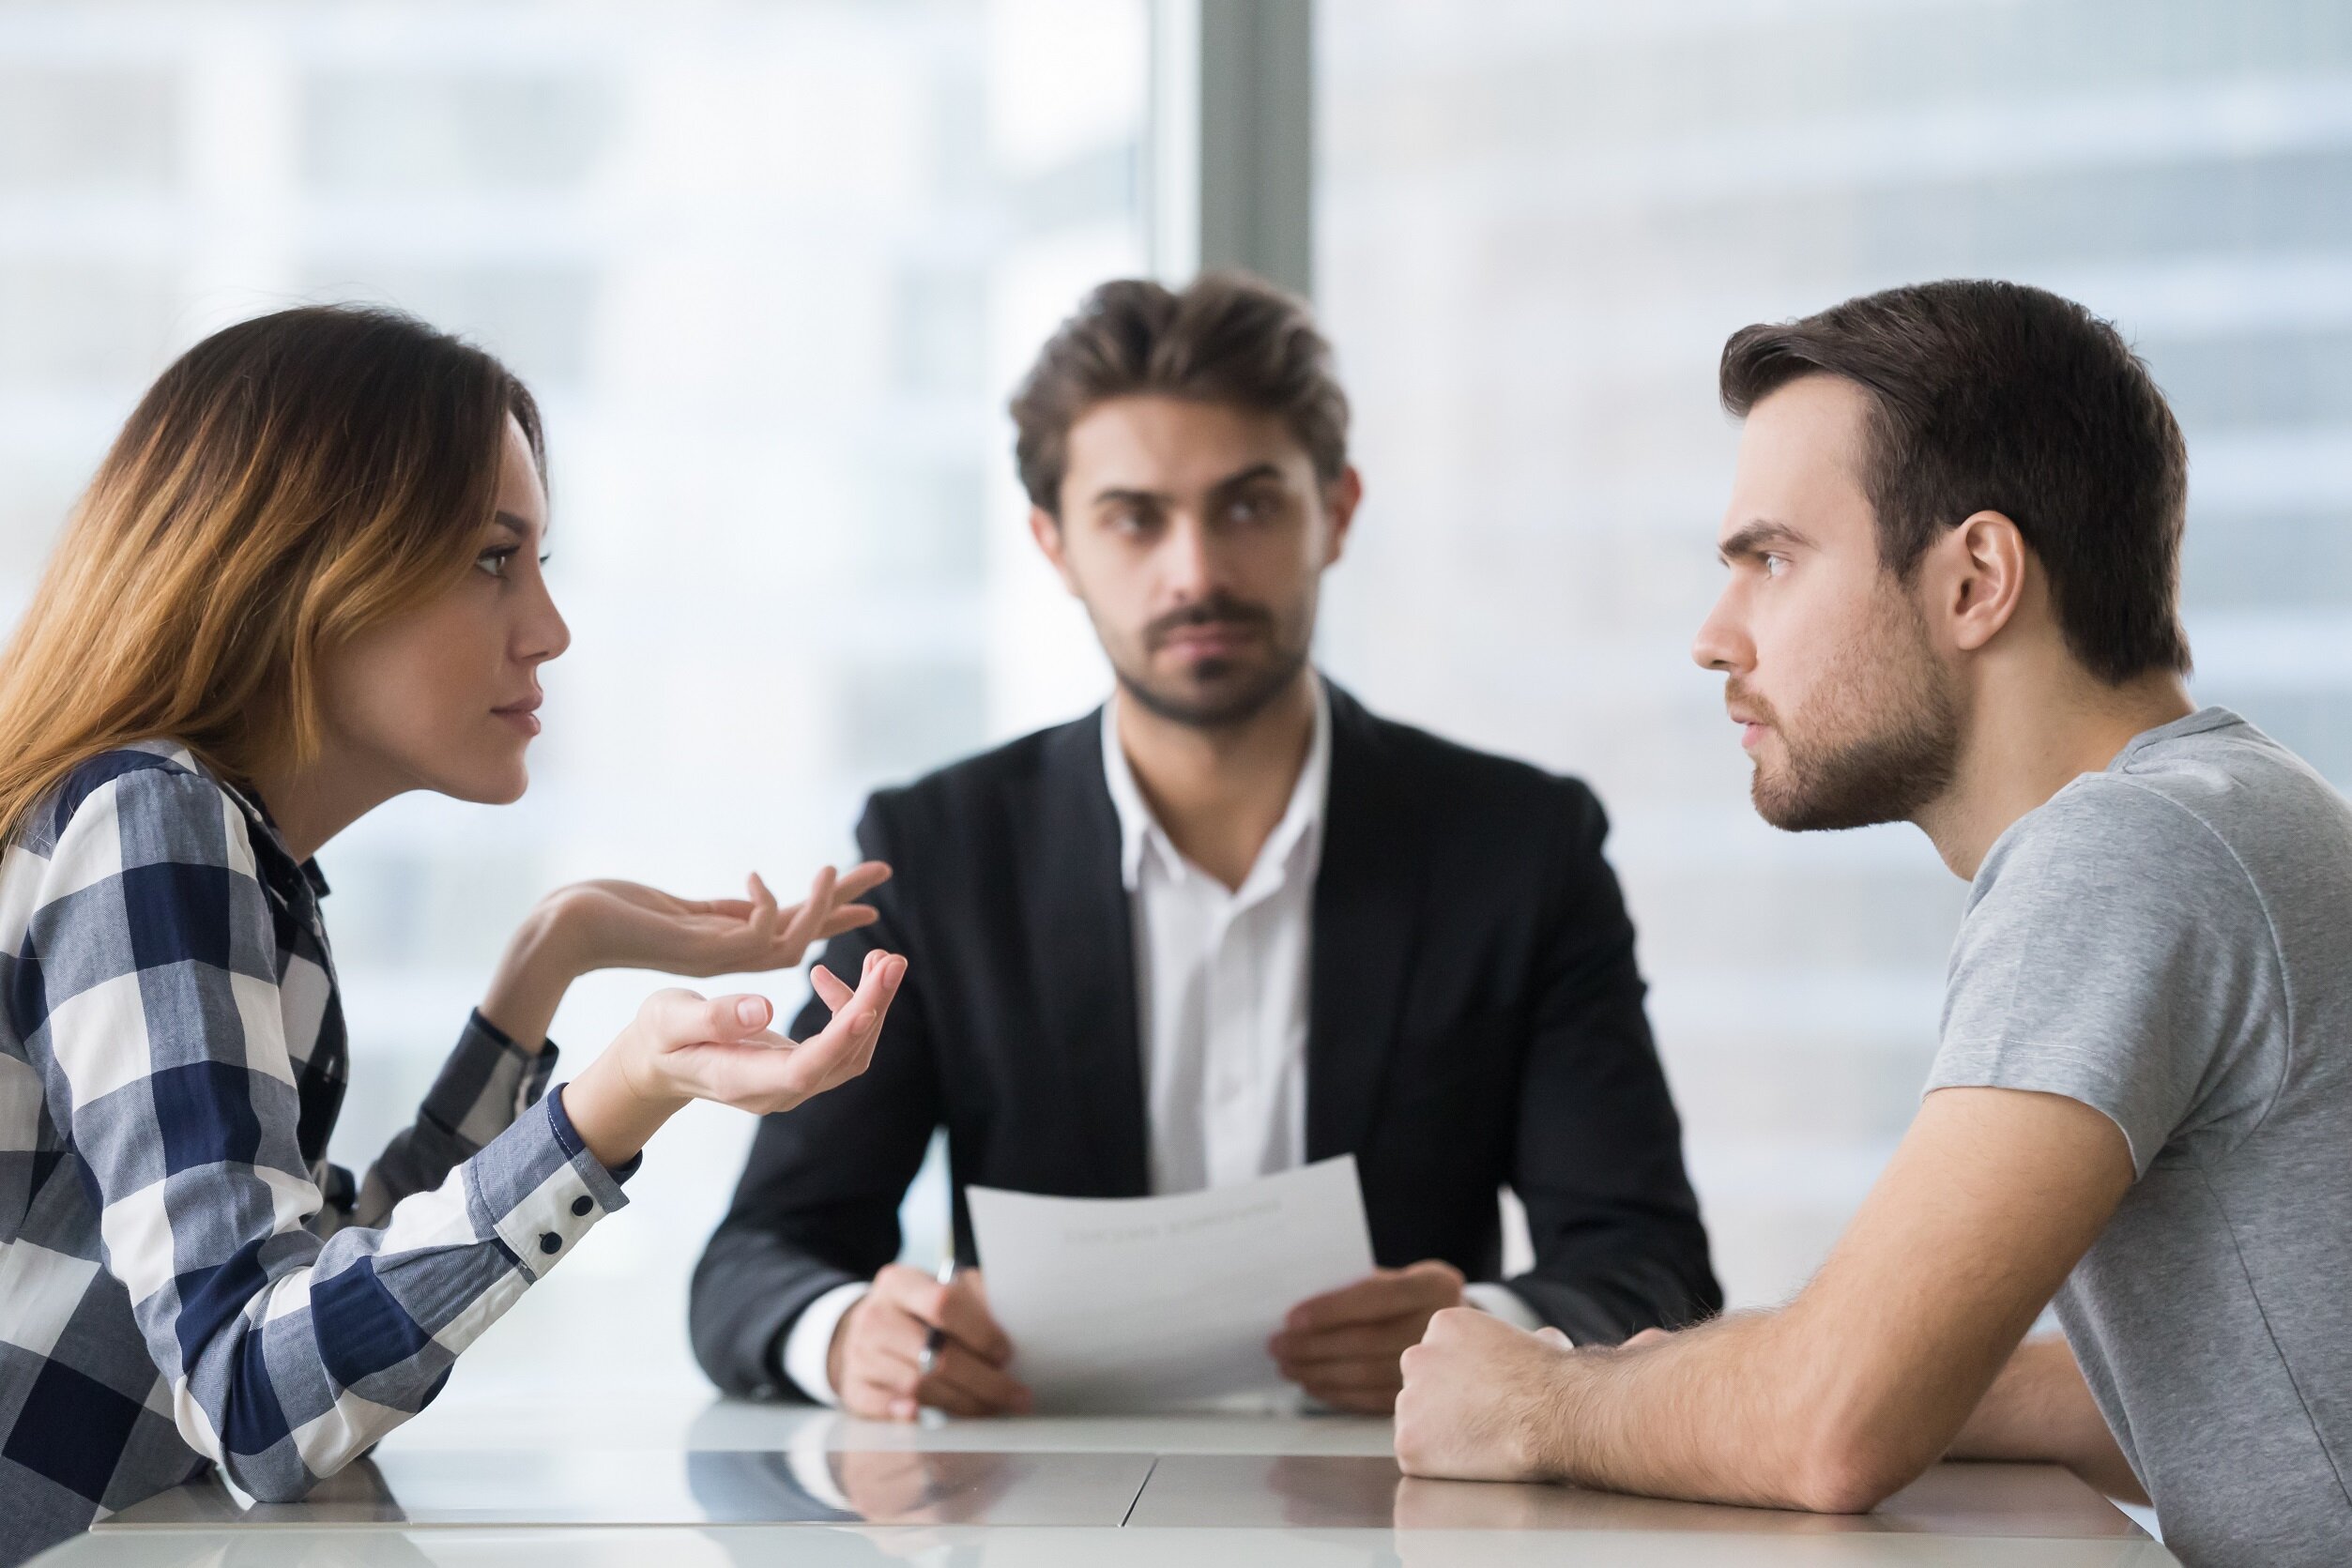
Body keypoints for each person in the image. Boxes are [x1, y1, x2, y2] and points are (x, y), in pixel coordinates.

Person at [1392, 279, 2352, 1568]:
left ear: (1972, 581)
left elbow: (1829, 1428)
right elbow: (2255, 1383)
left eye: (1771, 559)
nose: (1711, 636)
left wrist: (1529, 1399)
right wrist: (1715, 1376)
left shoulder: (2123, 852)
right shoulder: (2243, 809)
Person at [690, 272, 1718, 1422]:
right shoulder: (937, 853)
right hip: (1044, 1518)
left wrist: (1489, 1334)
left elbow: (1649, 1264)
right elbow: (756, 1261)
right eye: (1135, 517)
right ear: (1054, 544)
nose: (1195, 572)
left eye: (1247, 506)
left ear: (1336, 512)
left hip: (1401, 1510)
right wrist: (848, 1341)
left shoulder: (1520, 849)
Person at [0, 306, 907, 1565]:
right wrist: (616, 1097)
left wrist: (550, 958)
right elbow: (255, 1394)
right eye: (493, 557)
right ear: (302, 564)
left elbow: (298, 1295)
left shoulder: (218, 850)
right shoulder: (152, 826)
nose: (547, 626)